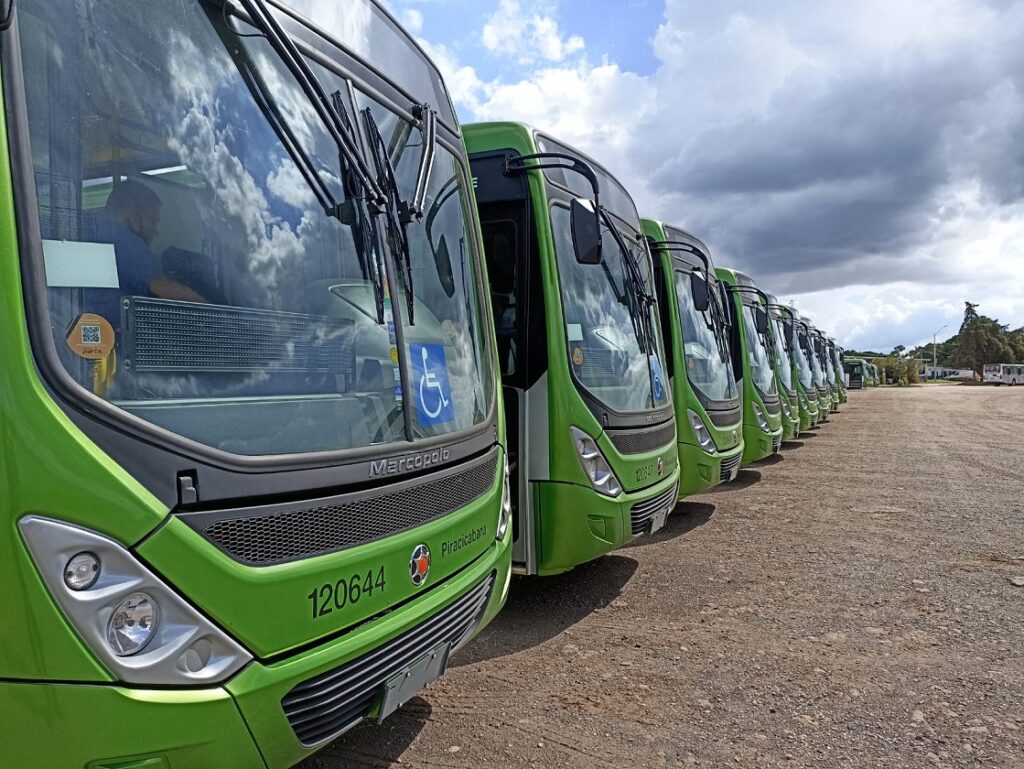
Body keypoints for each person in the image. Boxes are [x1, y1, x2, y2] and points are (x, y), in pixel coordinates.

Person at [90, 180, 204, 325]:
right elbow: (161, 287)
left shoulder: (93, 230)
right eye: (153, 221)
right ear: (133, 216)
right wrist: (216, 313)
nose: (156, 231)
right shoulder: (126, 241)